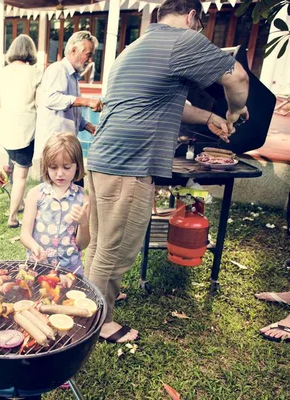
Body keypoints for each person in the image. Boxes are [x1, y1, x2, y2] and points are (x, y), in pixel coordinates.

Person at [84, 0, 249, 344]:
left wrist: (208, 117)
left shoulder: (135, 48)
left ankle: (90, 303)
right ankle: (99, 322)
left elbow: (163, 101)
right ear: (192, 17)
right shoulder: (183, 40)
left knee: (100, 245)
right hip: (129, 163)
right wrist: (235, 110)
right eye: (201, 24)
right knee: (115, 251)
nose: (200, 32)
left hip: (102, 158)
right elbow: (237, 76)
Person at [20, 132, 90, 272]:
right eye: (53, 167)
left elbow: (82, 244)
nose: (59, 173)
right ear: (45, 166)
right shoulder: (36, 194)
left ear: (77, 165)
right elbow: (25, 234)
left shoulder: (83, 199)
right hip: (39, 266)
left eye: (66, 167)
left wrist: (83, 223)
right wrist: (34, 247)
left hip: (70, 268)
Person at [0, 34, 42, 228]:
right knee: (21, 176)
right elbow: (39, 103)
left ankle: (19, 203)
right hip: (25, 132)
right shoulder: (36, 72)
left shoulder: (2, 73)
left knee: (13, 168)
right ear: (31, 51)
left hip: (5, 132)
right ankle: (12, 218)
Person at [34, 31, 103, 163]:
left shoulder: (73, 76)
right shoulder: (58, 69)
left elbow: (70, 112)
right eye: (88, 55)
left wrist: (88, 126)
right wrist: (87, 101)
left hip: (65, 147)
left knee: (76, 182)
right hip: (54, 148)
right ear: (73, 50)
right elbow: (51, 99)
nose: (90, 61)